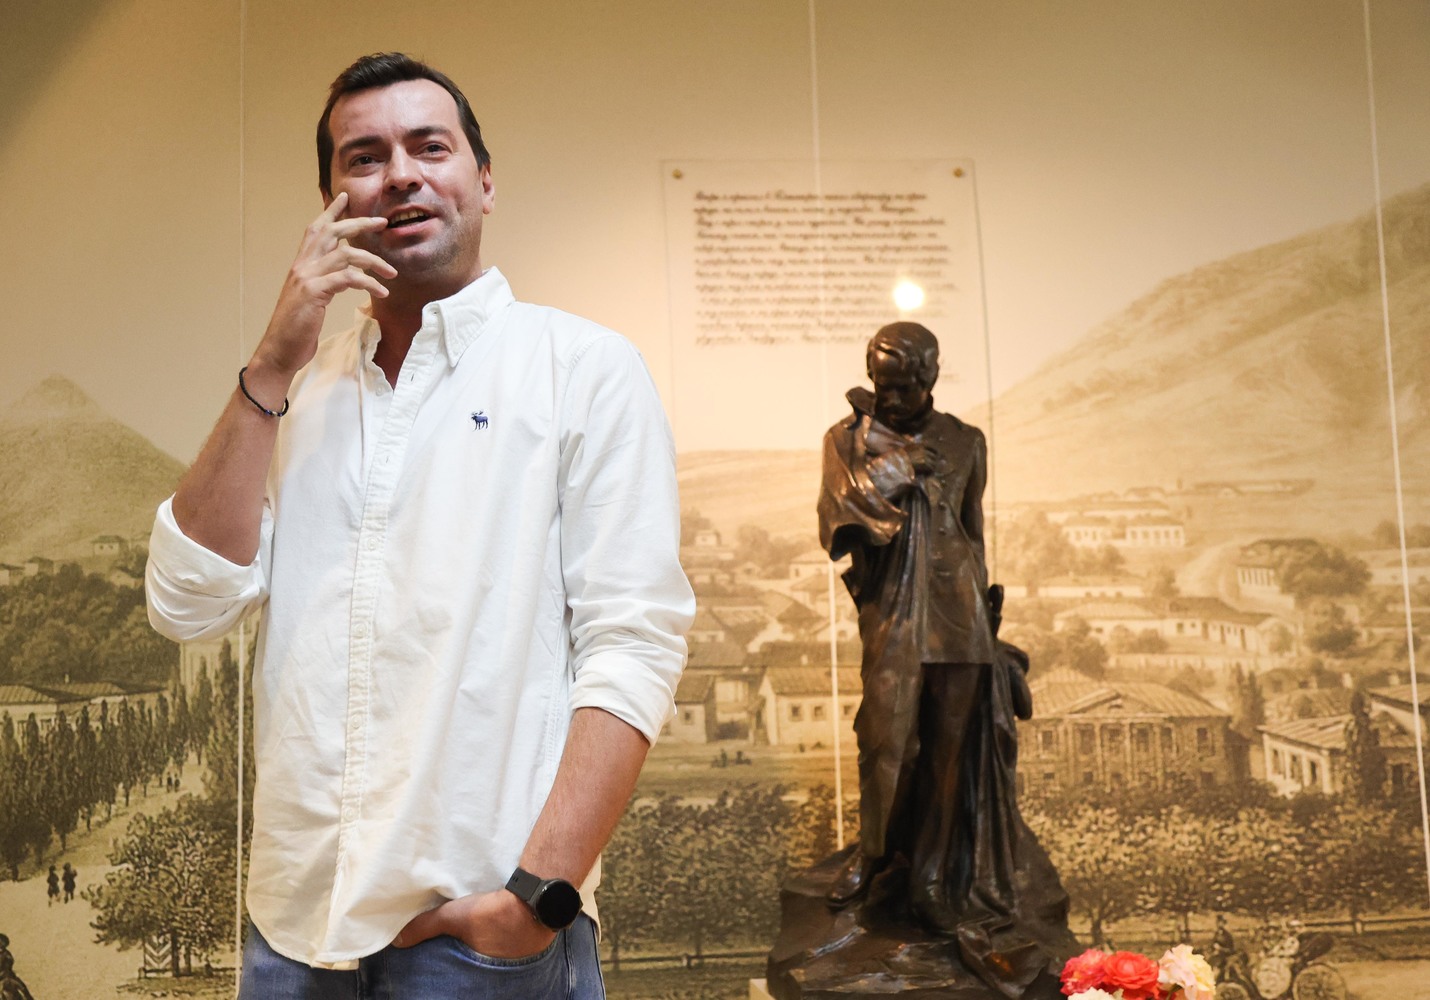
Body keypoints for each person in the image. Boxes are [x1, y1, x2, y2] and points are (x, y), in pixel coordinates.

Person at [146, 52, 693, 998]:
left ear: (484, 181)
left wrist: (535, 901)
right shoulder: (296, 393)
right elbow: (186, 602)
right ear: (332, 204)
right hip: (292, 933)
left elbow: (633, 643)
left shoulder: (582, 368)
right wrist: (272, 362)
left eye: (429, 147)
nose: (399, 174)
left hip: (485, 940)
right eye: (365, 157)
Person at [813, 322, 1071, 996]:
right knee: (886, 741)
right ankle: (874, 855)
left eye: (905, 387)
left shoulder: (966, 440)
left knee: (950, 758)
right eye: (882, 385)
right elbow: (836, 518)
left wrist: (987, 610)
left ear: (931, 378)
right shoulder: (846, 439)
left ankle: (930, 879)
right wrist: (897, 469)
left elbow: (973, 529)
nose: (891, 398)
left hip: (959, 616)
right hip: (895, 613)